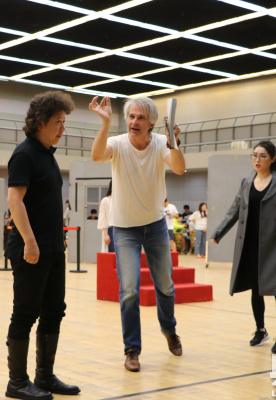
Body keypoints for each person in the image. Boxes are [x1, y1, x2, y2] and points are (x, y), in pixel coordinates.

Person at [89, 95, 186, 372]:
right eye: (131, 116)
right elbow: (97, 156)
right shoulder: (118, 143)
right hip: (124, 228)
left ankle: (169, 329)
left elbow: (179, 168)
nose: (134, 121)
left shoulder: (161, 143)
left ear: (151, 123)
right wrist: (105, 123)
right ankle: (132, 349)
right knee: (129, 290)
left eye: (140, 117)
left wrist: (174, 141)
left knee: (165, 286)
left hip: (155, 224)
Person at [4, 91, 80, 399]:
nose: (63, 128)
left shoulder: (48, 154)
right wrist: (30, 242)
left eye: (64, 122)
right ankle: (17, 382)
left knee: (53, 312)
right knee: (25, 313)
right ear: (40, 123)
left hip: (53, 248)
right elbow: (14, 200)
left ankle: (44, 376)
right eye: (58, 122)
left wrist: (57, 240)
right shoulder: (24, 155)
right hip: (31, 249)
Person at [210, 141, 276, 355]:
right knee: (256, 289)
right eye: (255, 155)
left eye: (263, 156)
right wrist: (218, 233)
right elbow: (234, 210)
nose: (257, 160)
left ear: (273, 159)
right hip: (250, 243)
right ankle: (260, 330)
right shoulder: (246, 183)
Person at [98, 180, 114, 252]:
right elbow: (102, 218)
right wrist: (106, 235)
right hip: (110, 230)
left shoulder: (122, 200)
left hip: (121, 231)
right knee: (111, 254)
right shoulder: (106, 200)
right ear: (111, 187)